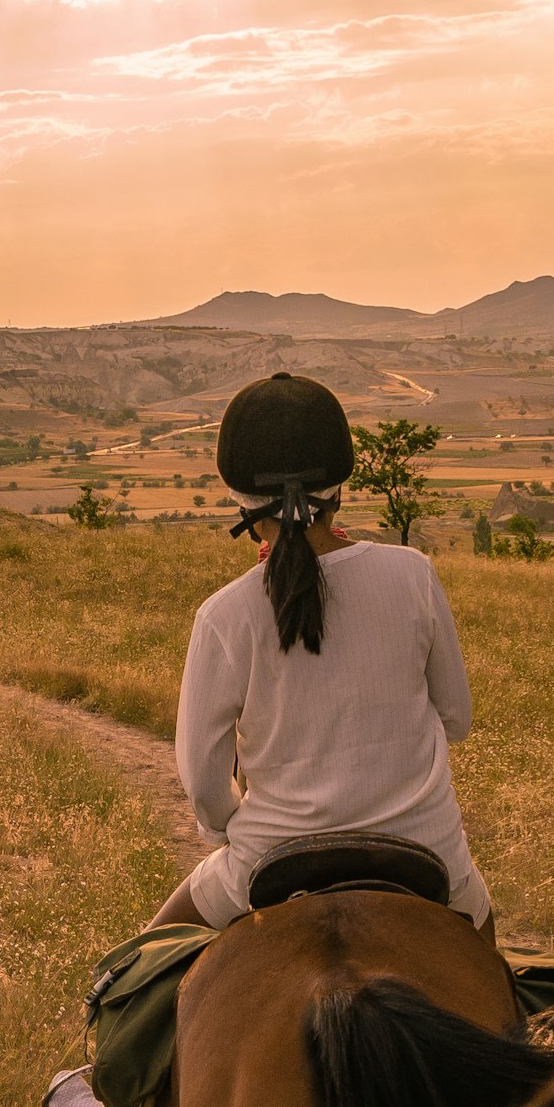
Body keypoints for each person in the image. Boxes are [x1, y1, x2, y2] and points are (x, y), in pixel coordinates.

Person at [153, 371, 492, 930]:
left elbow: (205, 785)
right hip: (428, 852)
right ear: (338, 488)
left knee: (137, 970)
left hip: (271, 861)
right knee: (500, 985)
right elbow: (457, 719)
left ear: (239, 498)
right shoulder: (414, 575)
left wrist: (234, 831)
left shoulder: (223, 615)